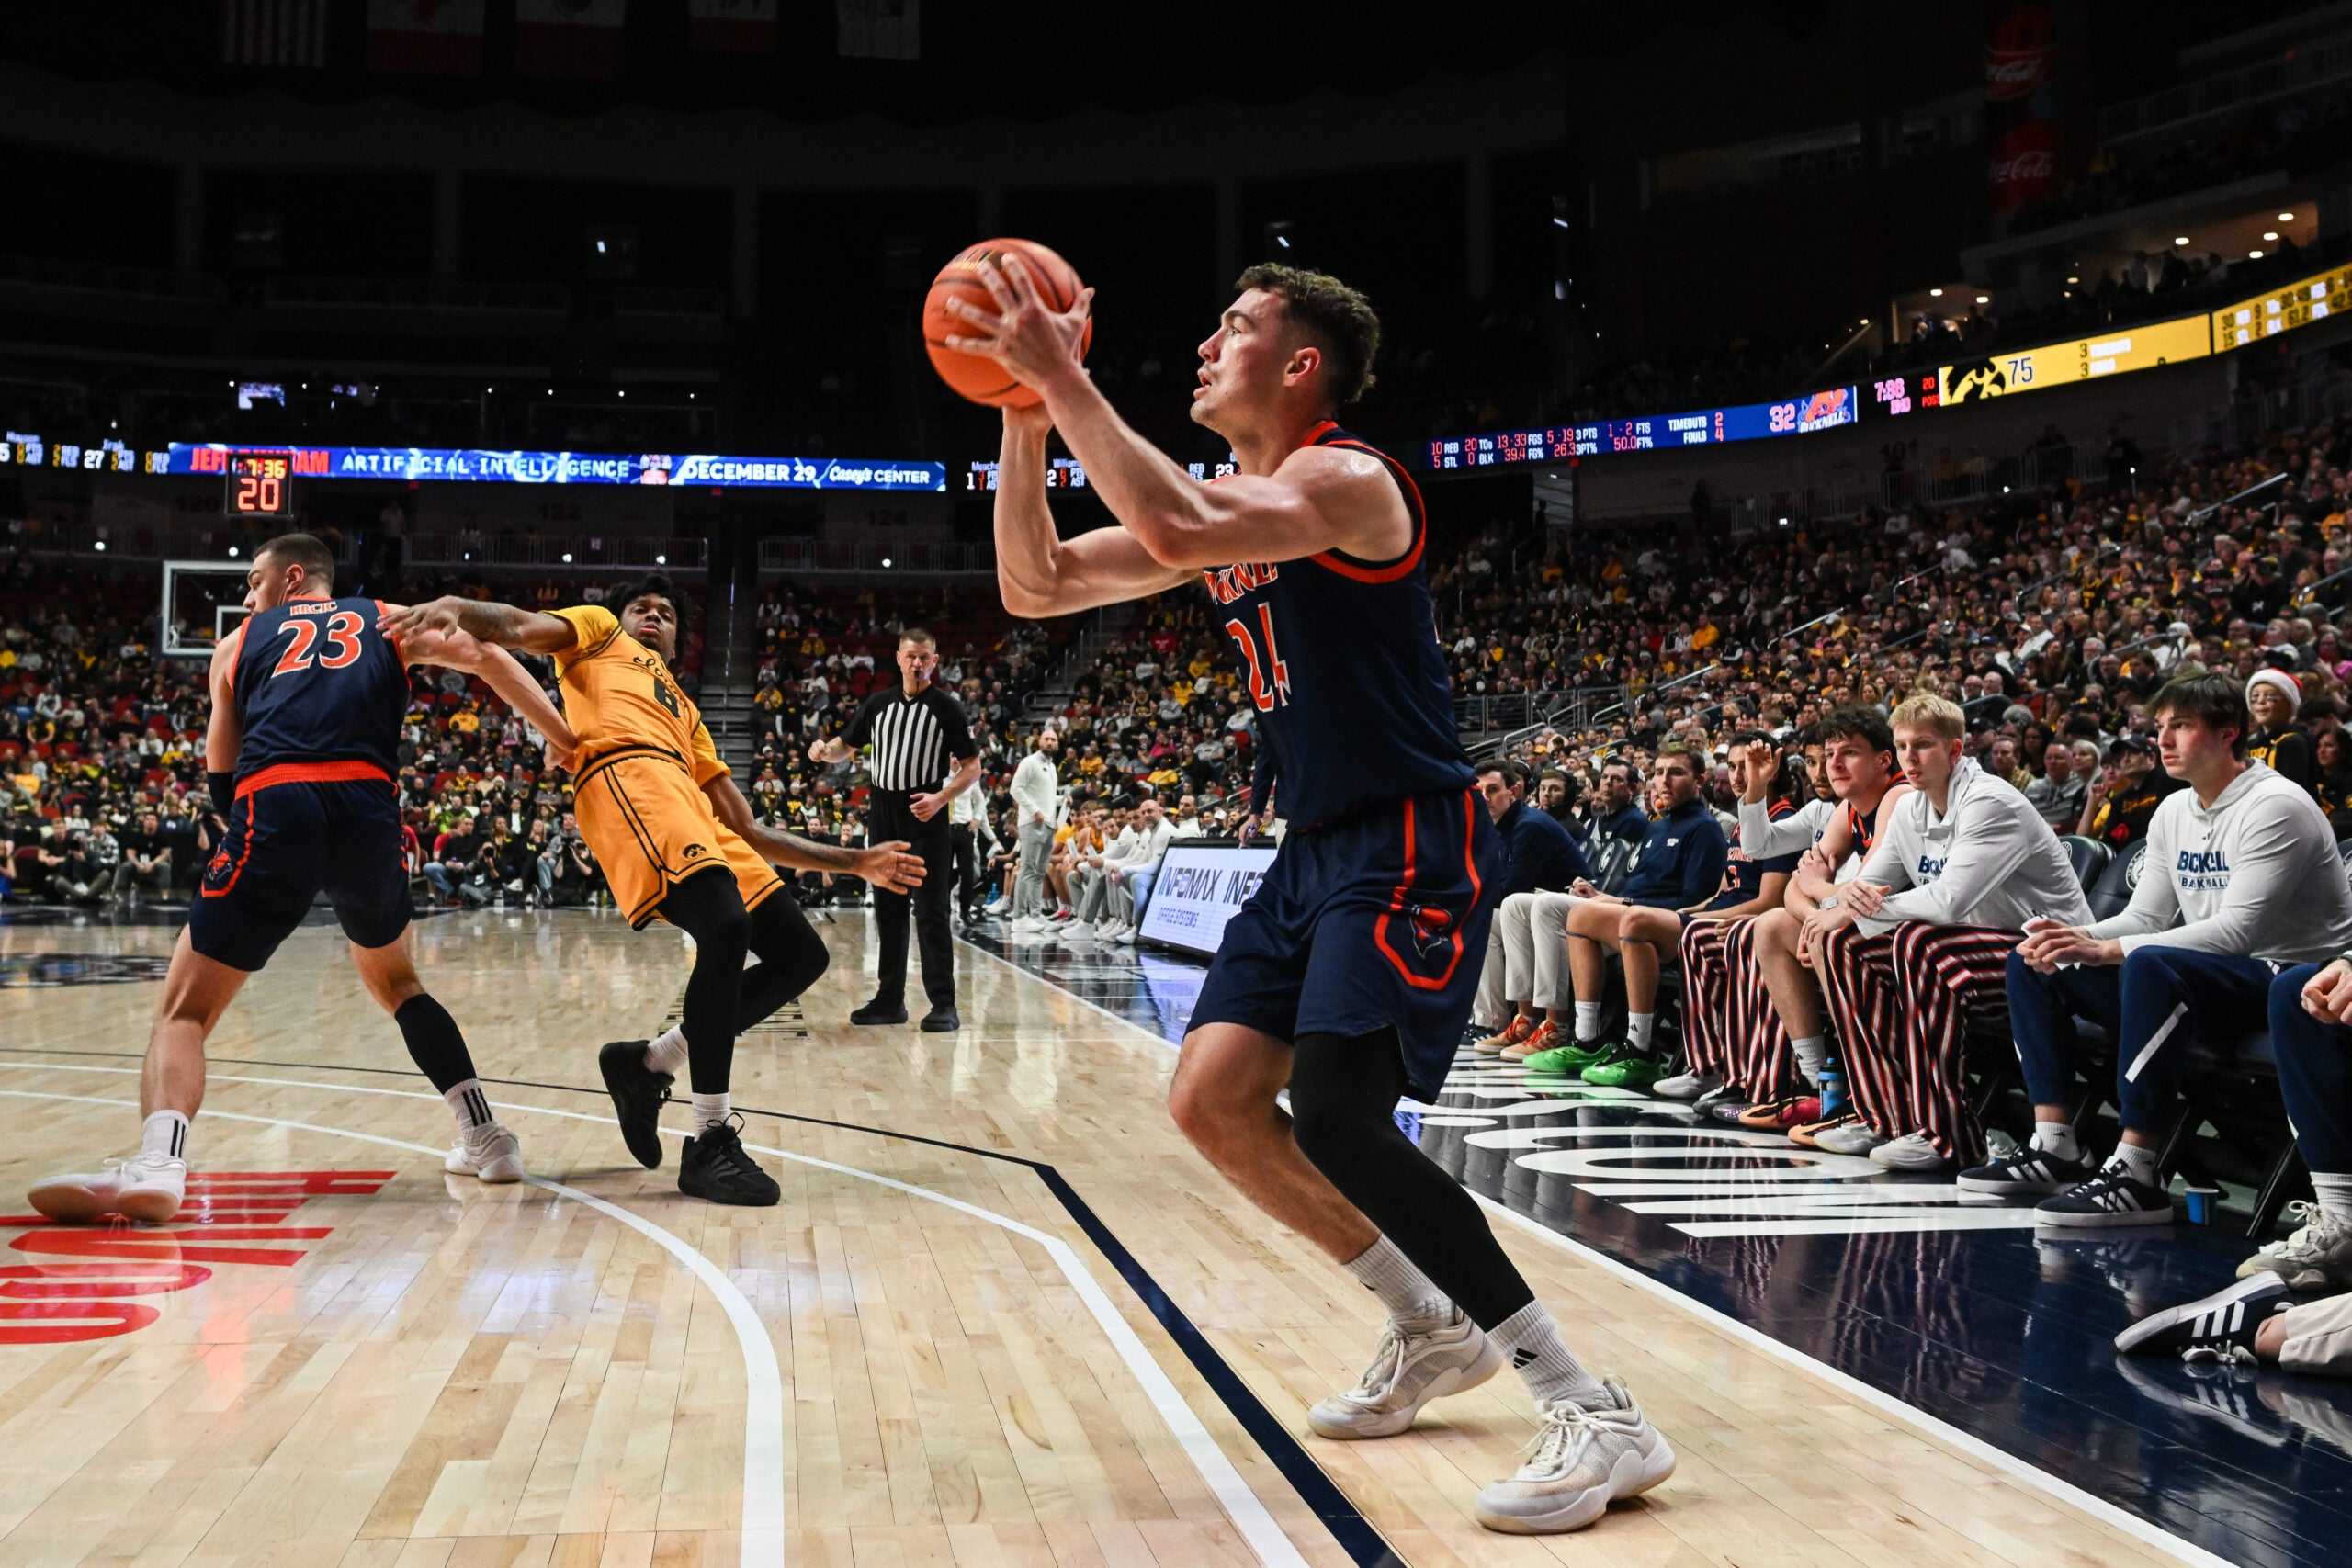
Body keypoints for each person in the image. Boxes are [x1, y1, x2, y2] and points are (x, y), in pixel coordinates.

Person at [959, 255, 1671, 1533]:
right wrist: (1023, 419)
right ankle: (1426, 1321)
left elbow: (1173, 530)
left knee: (1341, 1115)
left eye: (1230, 328)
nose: (1203, 347)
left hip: (1408, 834)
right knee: (1214, 1097)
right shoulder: (1229, 503)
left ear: (1299, 365)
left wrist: (1062, 373)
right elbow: (1036, 584)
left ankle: (1592, 1404)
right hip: (1312, 849)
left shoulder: (1347, 479)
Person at [28, 534, 570, 1224]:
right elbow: (489, 655)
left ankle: (161, 1164)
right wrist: (560, 735)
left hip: (275, 802)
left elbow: (221, 780)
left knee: (185, 1010)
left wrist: (265, 846)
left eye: (253, 582)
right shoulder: (386, 615)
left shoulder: (238, 642)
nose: (247, 597)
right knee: (399, 982)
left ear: (291, 577)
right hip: (369, 811)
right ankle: (488, 1138)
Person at [383, 576, 925, 1205]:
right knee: (724, 928)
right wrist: (460, 610)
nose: (652, 615)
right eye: (641, 606)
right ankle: (710, 1139)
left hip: (689, 806)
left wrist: (854, 860)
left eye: (666, 613)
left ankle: (648, 1063)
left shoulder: (687, 711)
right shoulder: (599, 633)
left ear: (677, 638)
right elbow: (517, 625)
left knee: (801, 954)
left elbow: (745, 826)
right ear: (623, 616)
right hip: (629, 780)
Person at [1968, 673, 2352, 1225]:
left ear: (2229, 733)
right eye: (2161, 727)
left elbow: (2237, 933)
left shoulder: (2276, 806)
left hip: (2285, 977)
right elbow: (2145, 918)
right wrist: (2078, 938)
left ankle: (2137, 1170)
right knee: (2037, 959)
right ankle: (2055, 1144)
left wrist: (2110, 950)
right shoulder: (2175, 809)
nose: (2164, 740)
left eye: (2182, 726)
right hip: (2201, 975)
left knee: (2144, 960)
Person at [1804, 694, 2092, 1171]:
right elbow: (1864, 889)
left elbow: (1947, 901)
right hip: (1967, 955)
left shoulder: (1991, 801)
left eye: (1923, 746)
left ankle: (1949, 1135)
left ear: (1955, 750)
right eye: (1900, 747)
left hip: (2049, 960)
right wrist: (1832, 900)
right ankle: (1885, 1116)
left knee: (1915, 940)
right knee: (1842, 944)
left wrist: (1846, 904)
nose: (1909, 759)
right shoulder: (1911, 811)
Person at [809, 628, 981, 1031]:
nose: (917, 663)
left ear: (934, 661)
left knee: (931, 911)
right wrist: (823, 750)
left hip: (926, 814)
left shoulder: (948, 708)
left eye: (925, 656)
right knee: (888, 910)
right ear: (899, 659)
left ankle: (943, 1004)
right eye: (911, 656)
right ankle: (890, 1000)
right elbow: (844, 748)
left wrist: (940, 799)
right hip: (883, 812)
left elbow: (972, 767)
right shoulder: (878, 704)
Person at [1533, 745, 1731, 1083]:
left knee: (1634, 920)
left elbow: (1693, 898)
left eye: (1676, 773)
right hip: (1638, 916)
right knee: (1580, 916)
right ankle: (1587, 1039)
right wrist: (1609, 899)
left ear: (1700, 780)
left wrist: (1626, 906)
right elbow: (1637, 891)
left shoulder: (1705, 829)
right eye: (1659, 773)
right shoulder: (1657, 827)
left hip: (1680, 925)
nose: (1664, 781)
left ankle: (1641, 1050)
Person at [1470, 759, 1590, 1051]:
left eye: (1493, 790)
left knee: (1490, 914)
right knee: (1480, 922)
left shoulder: (1530, 826)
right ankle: (1493, 1019)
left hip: (1568, 909)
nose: (1484, 798)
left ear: (1513, 792)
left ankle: (1533, 1021)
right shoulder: (1497, 827)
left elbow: (1512, 887)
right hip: (1533, 907)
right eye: (1479, 792)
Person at [1009, 728, 1062, 930]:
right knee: (1027, 870)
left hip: (1047, 824)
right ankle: (1020, 917)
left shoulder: (1052, 767)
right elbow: (1015, 789)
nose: (1050, 742)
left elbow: (1046, 797)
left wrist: (1061, 802)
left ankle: (1036, 914)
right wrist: (1034, 811)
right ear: (1040, 742)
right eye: (1047, 739)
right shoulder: (1029, 762)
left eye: (1054, 740)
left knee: (1039, 872)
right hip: (1032, 822)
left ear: (1057, 744)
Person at [2246, 668, 2315, 795]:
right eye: (2255, 697)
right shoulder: (2251, 743)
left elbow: (2292, 793)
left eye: (2270, 696)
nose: (2261, 701)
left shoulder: (2294, 742)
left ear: (2289, 705)